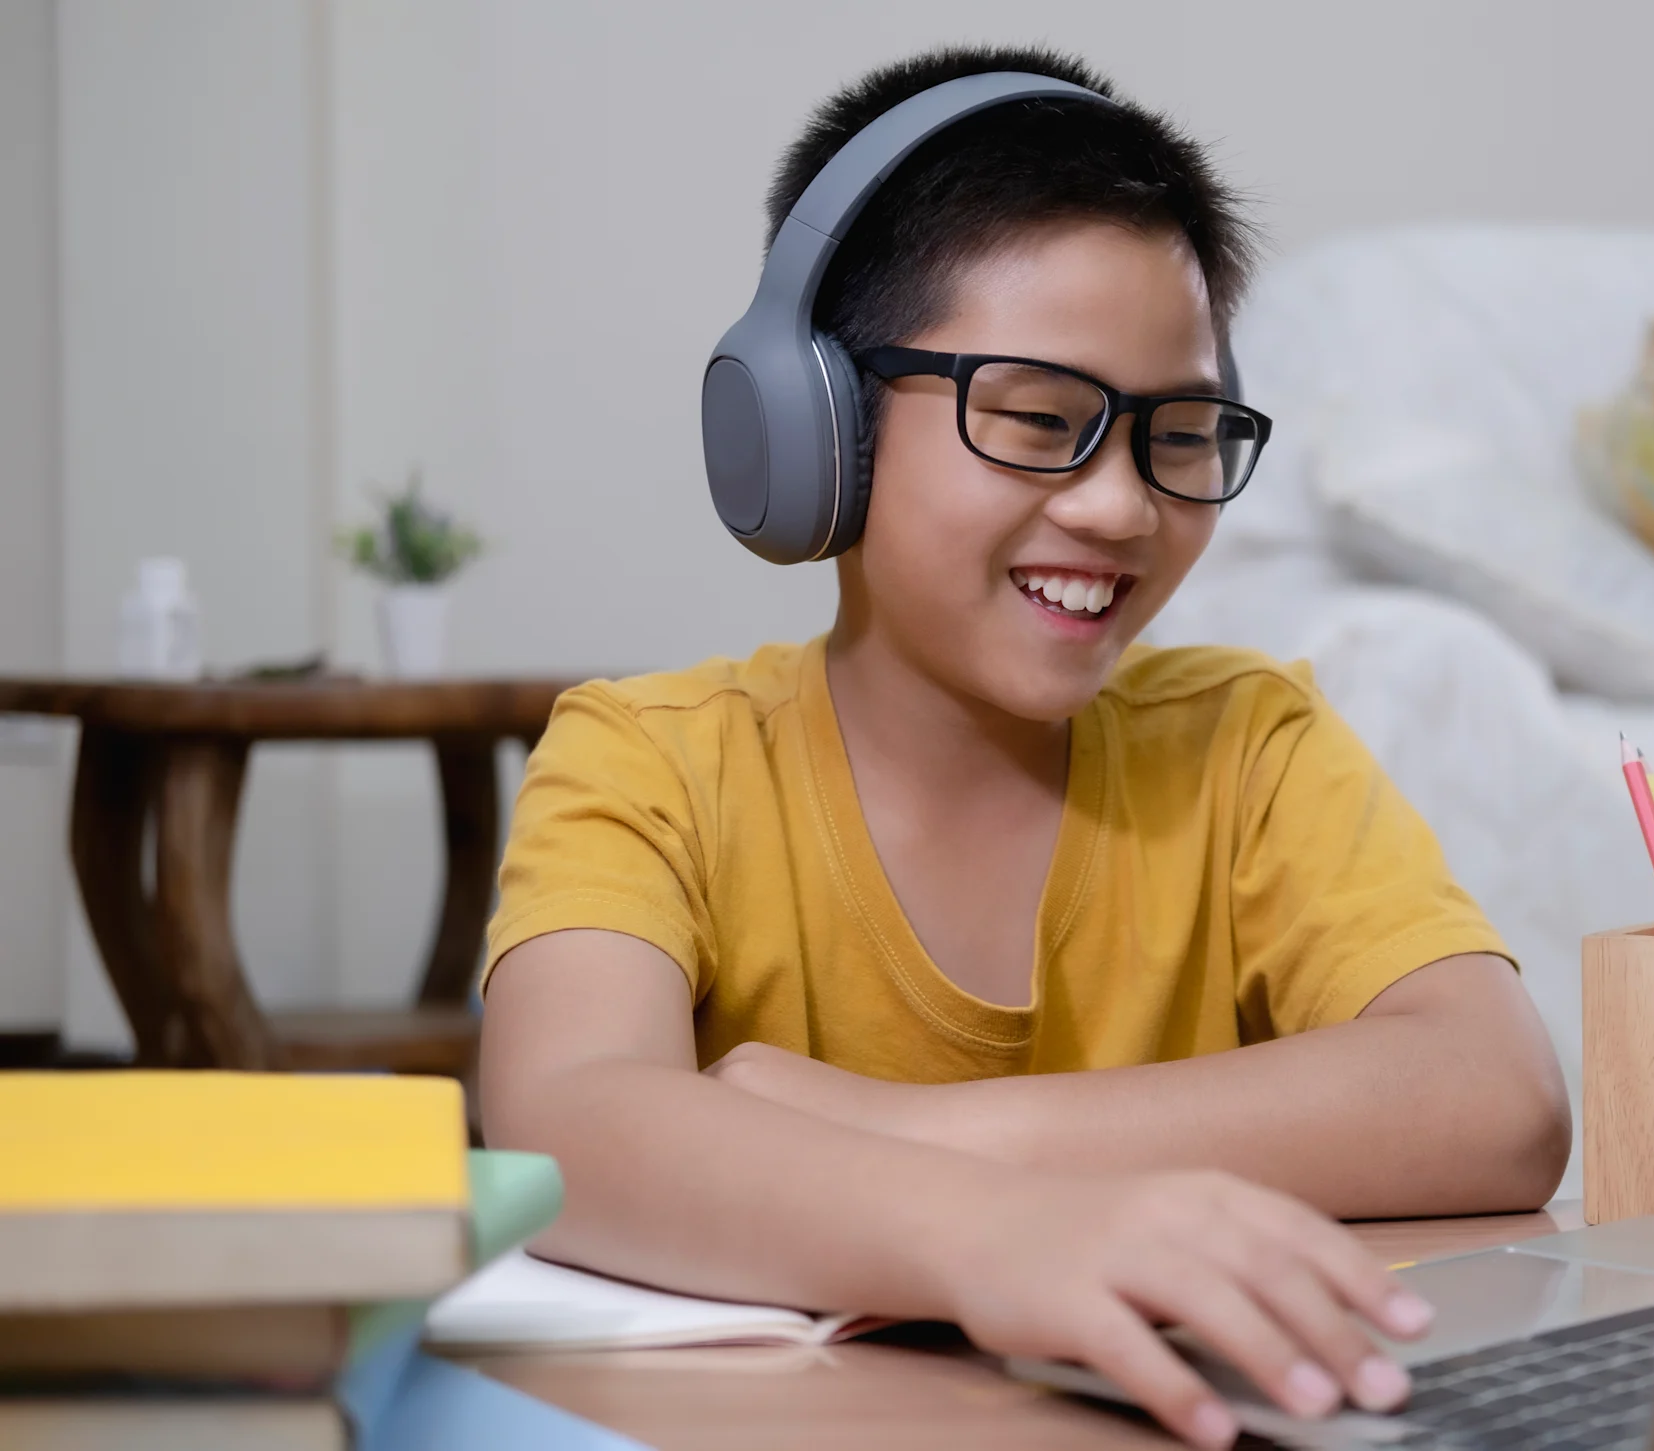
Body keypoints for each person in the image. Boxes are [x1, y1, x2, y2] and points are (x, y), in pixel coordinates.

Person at [479, 44, 1569, 1450]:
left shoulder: (1250, 746)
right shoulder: (649, 762)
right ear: (822, 426)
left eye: (1177, 434)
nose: (1119, 508)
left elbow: (1495, 1095)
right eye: (1041, 420)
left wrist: (899, 1130)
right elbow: (566, 1120)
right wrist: (983, 1232)